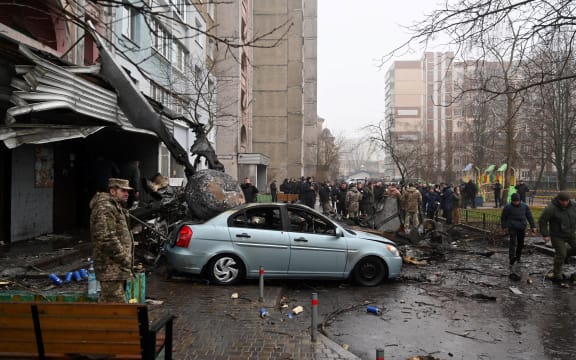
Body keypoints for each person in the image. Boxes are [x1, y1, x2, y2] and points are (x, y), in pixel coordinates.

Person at [89, 178, 134, 303]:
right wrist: (124, 258)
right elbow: (106, 237)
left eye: (128, 191)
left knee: (109, 305)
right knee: (114, 308)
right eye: (123, 190)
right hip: (110, 268)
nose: (127, 194)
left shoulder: (115, 206)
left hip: (116, 269)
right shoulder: (105, 207)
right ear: (113, 191)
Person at [538, 191, 576, 283]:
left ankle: (565, 253)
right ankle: (557, 274)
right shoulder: (551, 208)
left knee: (564, 252)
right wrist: (545, 234)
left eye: (566, 201)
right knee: (561, 254)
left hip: (570, 233)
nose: (565, 203)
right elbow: (542, 220)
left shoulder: (573, 205)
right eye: (562, 201)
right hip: (557, 235)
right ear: (558, 200)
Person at [501, 193, 536, 266]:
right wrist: (504, 227)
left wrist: (533, 226)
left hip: (522, 226)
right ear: (512, 201)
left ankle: (518, 256)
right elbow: (503, 217)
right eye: (514, 201)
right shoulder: (508, 207)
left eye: (517, 201)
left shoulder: (525, 206)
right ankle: (511, 257)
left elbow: (530, 217)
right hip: (512, 227)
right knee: (513, 242)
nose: (516, 202)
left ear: (520, 200)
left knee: (521, 242)